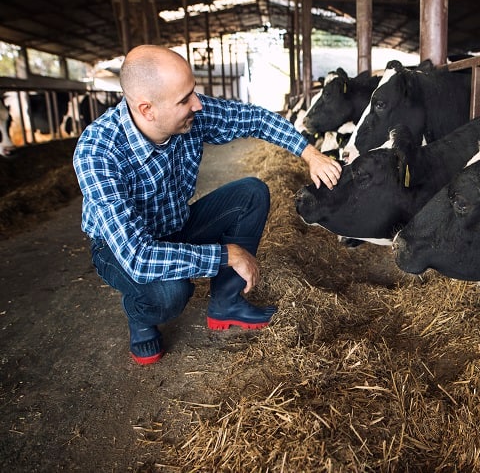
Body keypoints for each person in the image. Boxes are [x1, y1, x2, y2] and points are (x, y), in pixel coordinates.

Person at [73, 44, 342, 365]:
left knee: (251, 193)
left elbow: (254, 119)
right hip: (120, 250)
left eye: (193, 93)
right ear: (147, 110)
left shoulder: (191, 115)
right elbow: (139, 257)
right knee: (170, 293)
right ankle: (140, 315)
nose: (197, 104)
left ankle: (226, 304)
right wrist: (227, 254)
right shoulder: (98, 152)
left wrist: (310, 154)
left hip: (176, 223)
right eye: (184, 99)